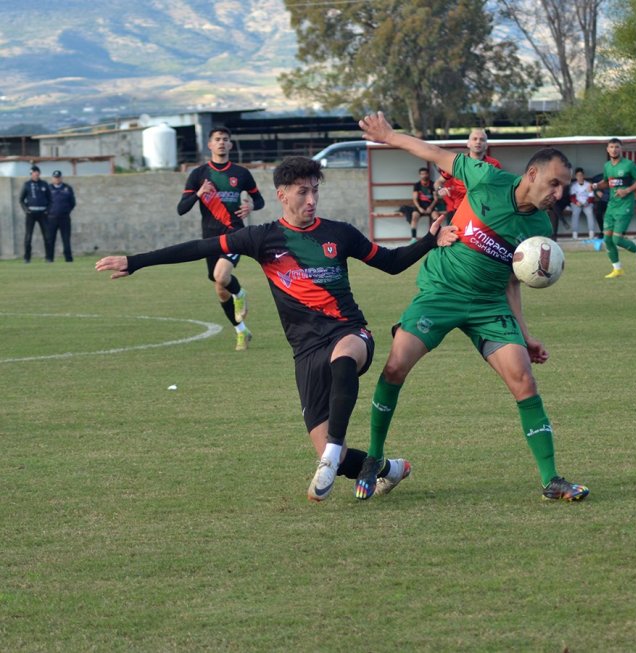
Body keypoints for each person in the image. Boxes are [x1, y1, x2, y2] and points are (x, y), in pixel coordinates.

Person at [96, 156, 458, 502]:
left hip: (350, 331)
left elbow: (390, 263)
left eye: (316, 190)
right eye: (303, 192)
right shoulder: (262, 238)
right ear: (282, 195)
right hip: (305, 351)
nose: (312, 199)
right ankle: (389, 468)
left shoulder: (339, 234)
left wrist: (430, 240)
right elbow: (198, 247)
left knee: (345, 359)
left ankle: (331, 455)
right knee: (343, 455)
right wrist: (135, 262)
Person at [356, 110, 589, 503]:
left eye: (563, 186)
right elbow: (434, 154)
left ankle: (552, 480)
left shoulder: (540, 230)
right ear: (531, 175)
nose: (559, 193)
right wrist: (391, 136)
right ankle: (373, 458)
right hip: (441, 290)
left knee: (524, 379)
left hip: (488, 304)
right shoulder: (488, 178)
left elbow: (514, 280)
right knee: (396, 365)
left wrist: (526, 335)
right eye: (554, 183)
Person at [177, 126, 266, 351]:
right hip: (209, 238)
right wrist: (199, 194)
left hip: (235, 233)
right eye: (217, 139)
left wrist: (251, 206)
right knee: (219, 286)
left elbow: (260, 200)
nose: (221, 143)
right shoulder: (198, 175)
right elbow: (181, 209)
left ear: (230, 145)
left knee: (221, 275)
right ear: (209, 145)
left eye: (225, 140)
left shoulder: (241, 173)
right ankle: (241, 331)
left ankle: (240, 293)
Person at [590, 138, 636, 279]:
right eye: (611, 147)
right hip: (611, 206)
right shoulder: (607, 166)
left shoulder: (629, 165)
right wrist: (596, 186)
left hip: (625, 206)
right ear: (607, 149)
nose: (614, 149)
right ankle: (617, 269)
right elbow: (607, 182)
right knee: (607, 239)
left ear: (621, 149)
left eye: (617, 147)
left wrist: (627, 191)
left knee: (617, 240)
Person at [436, 127, 502, 222]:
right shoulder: (457, 162)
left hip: (483, 211)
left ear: (486, 145)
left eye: (482, 140)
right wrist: (440, 189)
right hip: (459, 209)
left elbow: (499, 187)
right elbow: (438, 183)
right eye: (474, 139)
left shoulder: (494, 164)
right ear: (468, 144)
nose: (478, 142)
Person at [18, 165, 53, 263]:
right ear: (31, 174)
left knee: (47, 236)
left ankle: (49, 258)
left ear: (39, 174)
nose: (36, 174)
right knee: (28, 237)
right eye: (34, 173)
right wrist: (26, 210)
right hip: (31, 214)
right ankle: (27, 258)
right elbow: (21, 200)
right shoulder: (27, 184)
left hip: (43, 213)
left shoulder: (44, 184)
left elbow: (50, 199)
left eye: (37, 173)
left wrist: (47, 210)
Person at [46, 170, 77, 263]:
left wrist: (66, 211)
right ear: (52, 178)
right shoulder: (48, 188)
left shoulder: (67, 188)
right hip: (51, 218)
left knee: (66, 239)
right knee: (50, 239)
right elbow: (45, 201)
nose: (57, 179)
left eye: (58, 177)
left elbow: (72, 202)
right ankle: (49, 259)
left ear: (61, 178)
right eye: (55, 177)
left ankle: (68, 259)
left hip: (64, 218)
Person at [407, 167, 442, 243]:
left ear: (428, 174)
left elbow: (435, 199)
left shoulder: (433, 184)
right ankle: (413, 238)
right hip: (420, 207)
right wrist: (419, 208)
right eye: (422, 174)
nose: (424, 175)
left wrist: (430, 207)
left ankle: (435, 236)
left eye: (425, 173)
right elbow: (415, 199)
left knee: (436, 217)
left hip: (431, 206)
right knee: (414, 216)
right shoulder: (417, 185)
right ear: (420, 175)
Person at [568, 167, 596, 240]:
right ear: (576, 176)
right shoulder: (574, 185)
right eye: (578, 175)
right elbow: (572, 197)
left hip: (587, 203)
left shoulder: (588, 184)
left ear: (583, 176)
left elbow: (591, 196)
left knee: (590, 213)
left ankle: (591, 234)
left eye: (581, 175)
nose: (580, 177)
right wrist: (576, 202)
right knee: (575, 213)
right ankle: (575, 235)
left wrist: (587, 202)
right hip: (577, 204)